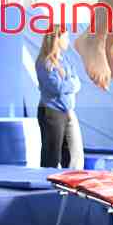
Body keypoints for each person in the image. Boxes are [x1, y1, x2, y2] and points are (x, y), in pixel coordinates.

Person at [35, 25, 84, 169]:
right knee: (52, 155)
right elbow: (57, 88)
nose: (68, 40)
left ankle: (71, 178)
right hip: (52, 111)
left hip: (67, 110)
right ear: (57, 38)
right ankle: (44, 179)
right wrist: (71, 84)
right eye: (66, 37)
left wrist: (69, 83)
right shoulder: (44, 62)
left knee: (74, 153)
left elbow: (77, 82)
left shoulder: (64, 60)